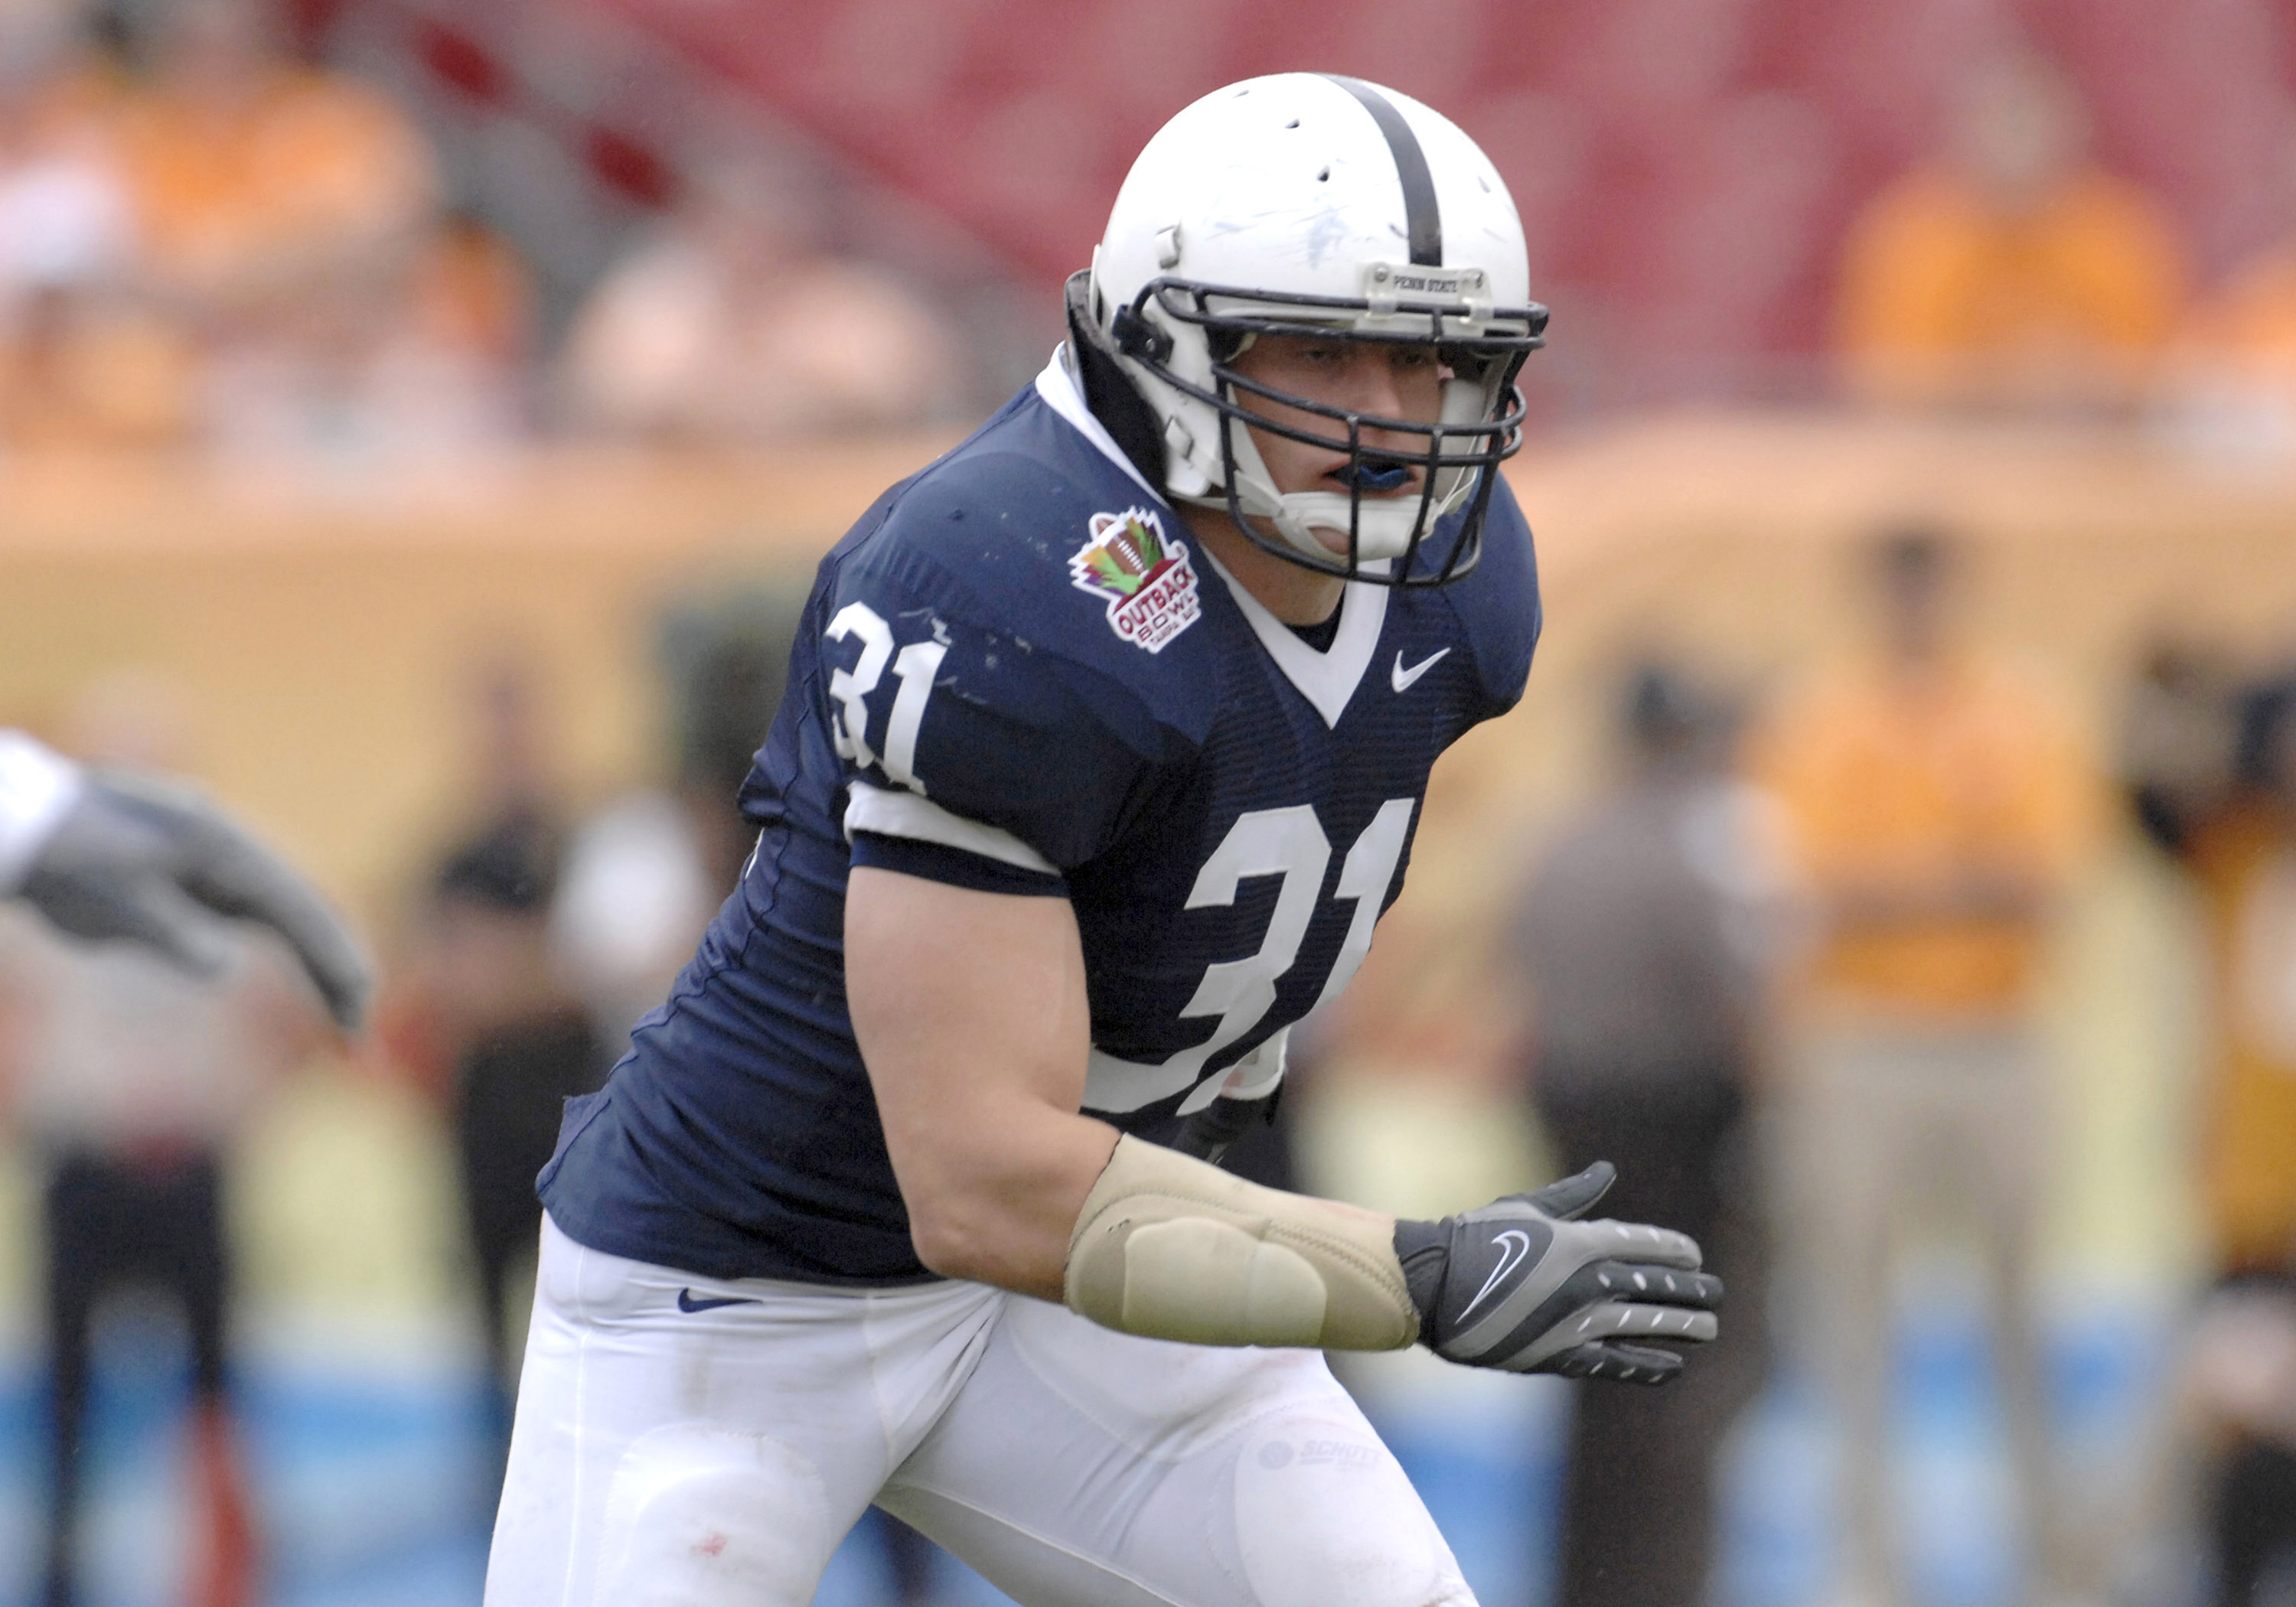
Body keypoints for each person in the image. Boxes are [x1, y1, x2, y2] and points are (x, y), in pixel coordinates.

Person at [487, 74, 1724, 1606]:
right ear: (1160, 340)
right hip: (744, 1286)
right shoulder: (1003, 578)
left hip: (1094, 1282)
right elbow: (983, 1179)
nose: (1387, 420)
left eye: (1427, 359)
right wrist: (1414, 1272)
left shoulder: (1464, 593)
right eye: (1321, 348)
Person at [1749, 529, 2098, 1607]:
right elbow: (1801, 890)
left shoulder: (2016, 712)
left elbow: (2044, 881)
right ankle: (1869, 1566)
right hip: (1861, 1041)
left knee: (2025, 1306)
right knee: (1851, 1311)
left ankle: (2051, 1561)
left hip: (1995, 1037)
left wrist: (1891, 889)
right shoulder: (1821, 717)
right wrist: (1959, 878)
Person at [0, 722, 364, 1607]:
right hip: (87, 1166)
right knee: (70, 1400)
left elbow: (290, 1019)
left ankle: (227, 1578)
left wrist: (240, 1114)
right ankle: (60, 1578)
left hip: (193, 1170)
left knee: (215, 1396)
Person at [1509, 663, 1783, 1607]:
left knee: (1592, 1379)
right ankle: (1660, 1584)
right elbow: (1740, 1003)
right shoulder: (1690, 846)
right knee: (1679, 1381)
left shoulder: (1565, 844)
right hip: (1674, 1131)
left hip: (1574, 1127)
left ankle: (1585, 1581)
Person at [1835, 42, 2186, 412]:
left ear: (2076, 129)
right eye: (1999, 124)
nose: (2016, 145)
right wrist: (2012, 384)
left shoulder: (2120, 237)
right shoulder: (1912, 240)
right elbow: (1891, 390)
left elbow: (2154, 385)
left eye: (2030, 124)